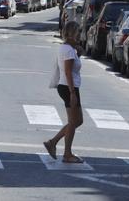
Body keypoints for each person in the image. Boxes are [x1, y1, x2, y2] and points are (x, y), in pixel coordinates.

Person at [44, 21, 85, 164]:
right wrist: (72, 93)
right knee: (74, 121)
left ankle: (54, 143)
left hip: (67, 86)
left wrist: (78, 51)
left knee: (76, 121)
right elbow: (68, 71)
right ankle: (65, 152)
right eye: (78, 32)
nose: (80, 35)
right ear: (73, 33)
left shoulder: (67, 48)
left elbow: (71, 68)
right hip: (68, 87)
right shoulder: (67, 50)